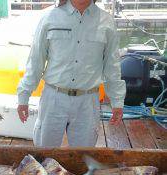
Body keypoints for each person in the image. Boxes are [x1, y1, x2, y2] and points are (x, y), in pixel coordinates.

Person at [17, 0, 126, 147]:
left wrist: (117, 101)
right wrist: (24, 96)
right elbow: (35, 61)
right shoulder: (50, 18)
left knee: (83, 157)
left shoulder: (107, 22)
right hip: (53, 99)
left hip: (88, 101)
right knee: (44, 152)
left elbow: (112, 66)